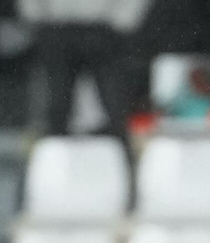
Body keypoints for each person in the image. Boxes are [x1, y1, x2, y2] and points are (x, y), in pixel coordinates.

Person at [18, 0, 153, 139]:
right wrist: (35, 16)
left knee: (113, 99)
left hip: (104, 28)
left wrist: (123, 20)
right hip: (56, 26)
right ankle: (53, 144)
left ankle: (120, 143)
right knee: (57, 98)